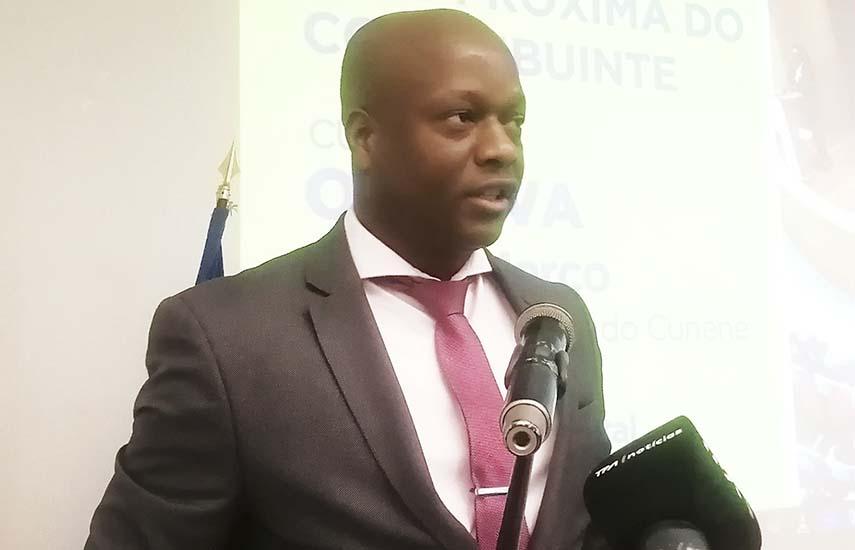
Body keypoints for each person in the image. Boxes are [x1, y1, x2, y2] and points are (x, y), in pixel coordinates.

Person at [85, 9, 611, 550]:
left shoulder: (556, 315)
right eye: (461, 117)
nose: (501, 148)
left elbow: (590, 524)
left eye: (514, 121)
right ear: (365, 137)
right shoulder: (225, 337)